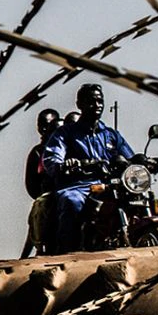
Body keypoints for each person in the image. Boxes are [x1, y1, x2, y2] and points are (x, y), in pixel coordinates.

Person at [39, 84, 134, 255]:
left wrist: (147, 161)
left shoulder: (111, 134)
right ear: (80, 104)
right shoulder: (65, 133)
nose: (97, 105)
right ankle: (67, 252)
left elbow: (129, 156)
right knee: (72, 202)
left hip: (108, 185)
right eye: (91, 101)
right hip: (79, 186)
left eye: (100, 101)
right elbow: (52, 159)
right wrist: (67, 164)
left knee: (140, 197)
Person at [19, 108, 63, 258]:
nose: (44, 129)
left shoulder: (71, 147)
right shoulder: (38, 152)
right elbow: (32, 186)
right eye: (42, 125)